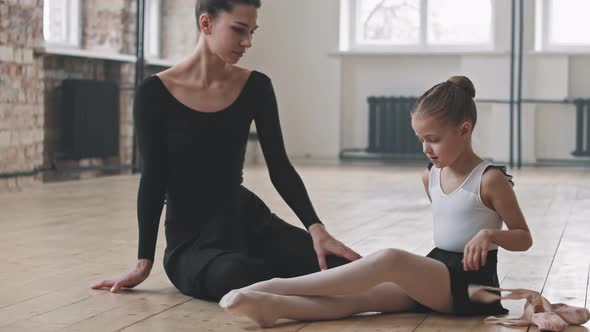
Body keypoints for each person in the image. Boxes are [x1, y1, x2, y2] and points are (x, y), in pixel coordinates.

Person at [91, 0, 360, 302]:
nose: (247, 42)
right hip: (192, 240)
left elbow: (280, 167)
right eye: (238, 30)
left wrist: (316, 229)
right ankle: (295, 284)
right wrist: (144, 263)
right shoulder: (154, 93)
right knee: (233, 275)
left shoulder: (256, 86)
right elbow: (153, 179)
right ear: (206, 24)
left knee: (345, 266)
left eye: (252, 32)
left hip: (248, 221)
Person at [219, 76, 534, 328]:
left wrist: (490, 234)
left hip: (473, 287)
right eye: (420, 139)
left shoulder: (490, 179)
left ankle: (274, 286)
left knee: (390, 260)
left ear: (464, 130)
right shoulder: (430, 176)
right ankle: (273, 309)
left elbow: (524, 238)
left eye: (434, 139)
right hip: (439, 271)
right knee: (358, 300)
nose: (426, 148)